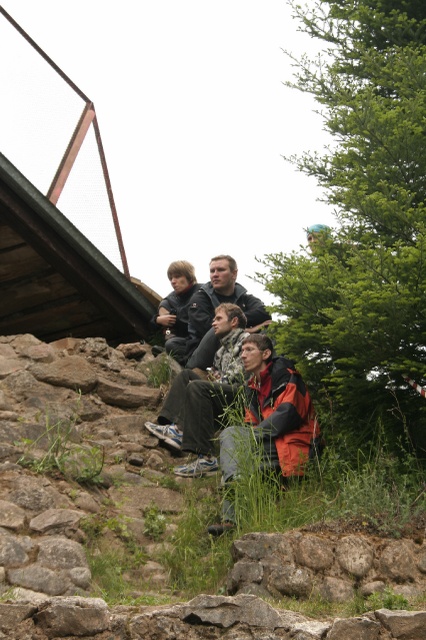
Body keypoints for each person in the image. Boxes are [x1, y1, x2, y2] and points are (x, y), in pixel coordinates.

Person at [207, 333, 321, 536]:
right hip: (271, 446)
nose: (243, 355)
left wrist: (251, 437)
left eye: (249, 350)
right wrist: (248, 439)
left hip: (296, 446)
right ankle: (231, 521)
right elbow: (249, 423)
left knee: (233, 438)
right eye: (242, 350)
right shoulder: (252, 387)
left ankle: (234, 488)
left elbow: (287, 415)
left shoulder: (286, 376)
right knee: (235, 451)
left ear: (266, 354)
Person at [145, 303, 250, 476]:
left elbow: (238, 375)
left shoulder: (246, 341)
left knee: (198, 387)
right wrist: (215, 378)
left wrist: (215, 380)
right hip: (226, 393)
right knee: (186, 376)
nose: (213, 323)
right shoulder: (221, 349)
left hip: (244, 398)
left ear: (234, 322)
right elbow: (218, 374)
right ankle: (174, 429)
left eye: (219, 319)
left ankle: (207, 458)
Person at [185, 254, 271, 370]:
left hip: (236, 350)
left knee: (272, 328)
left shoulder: (245, 298)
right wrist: (247, 329)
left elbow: (265, 312)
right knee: (217, 326)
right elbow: (206, 326)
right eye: (212, 271)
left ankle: (277, 372)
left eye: (220, 270)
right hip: (202, 355)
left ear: (234, 274)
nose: (215, 274)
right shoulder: (200, 298)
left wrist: (236, 322)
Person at [151, 260, 198, 364]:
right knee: (164, 307)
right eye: (171, 278)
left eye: (177, 277)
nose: (173, 281)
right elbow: (153, 323)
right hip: (183, 340)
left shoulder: (201, 292)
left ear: (189, 277)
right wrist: (158, 320)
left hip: (201, 337)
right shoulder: (171, 299)